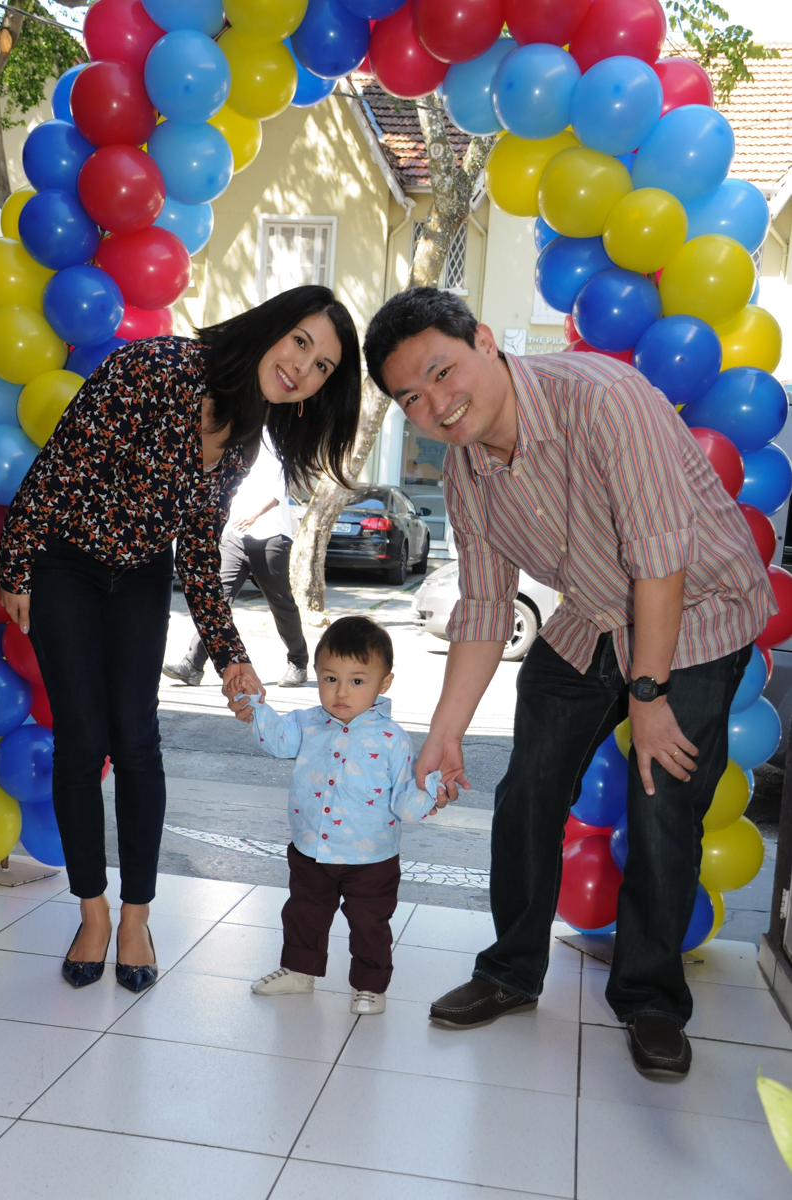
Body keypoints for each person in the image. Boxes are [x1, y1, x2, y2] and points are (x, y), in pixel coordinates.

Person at [362, 287, 774, 1078]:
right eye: (410, 397)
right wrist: (443, 733)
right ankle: (510, 971)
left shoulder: (605, 400)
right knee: (527, 787)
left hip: (696, 610)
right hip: (593, 613)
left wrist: (647, 697)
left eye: (442, 372)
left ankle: (650, 999)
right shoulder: (466, 471)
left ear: (485, 341)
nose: (436, 405)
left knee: (661, 801)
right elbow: (485, 608)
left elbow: (659, 564)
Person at [0, 285, 361, 993]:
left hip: (139, 575)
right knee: (81, 742)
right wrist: (15, 567)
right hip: (66, 566)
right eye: (301, 343)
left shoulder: (246, 434)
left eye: (322, 367)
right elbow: (58, 467)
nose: (303, 368)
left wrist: (231, 657)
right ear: (270, 329)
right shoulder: (156, 367)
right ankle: (92, 914)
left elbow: (196, 551)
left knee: (137, 741)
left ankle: (136, 918)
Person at [231, 615, 441, 1014]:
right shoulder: (307, 723)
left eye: (357, 681)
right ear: (316, 675)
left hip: (371, 858)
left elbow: (404, 800)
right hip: (311, 848)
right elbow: (277, 740)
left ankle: (370, 984)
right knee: (303, 913)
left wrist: (430, 792)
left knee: (370, 923)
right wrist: (256, 706)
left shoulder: (392, 739)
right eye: (330, 678)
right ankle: (299, 971)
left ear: (384, 683)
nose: (341, 692)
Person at [163, 433, 309, 688]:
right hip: (235, 537)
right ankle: (193, 665)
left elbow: (279, 491)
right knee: (216, 599)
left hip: (271, 538)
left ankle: (298, 663)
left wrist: (254, 514)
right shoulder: (232, 439)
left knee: (281, 604)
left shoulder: (273, 441)